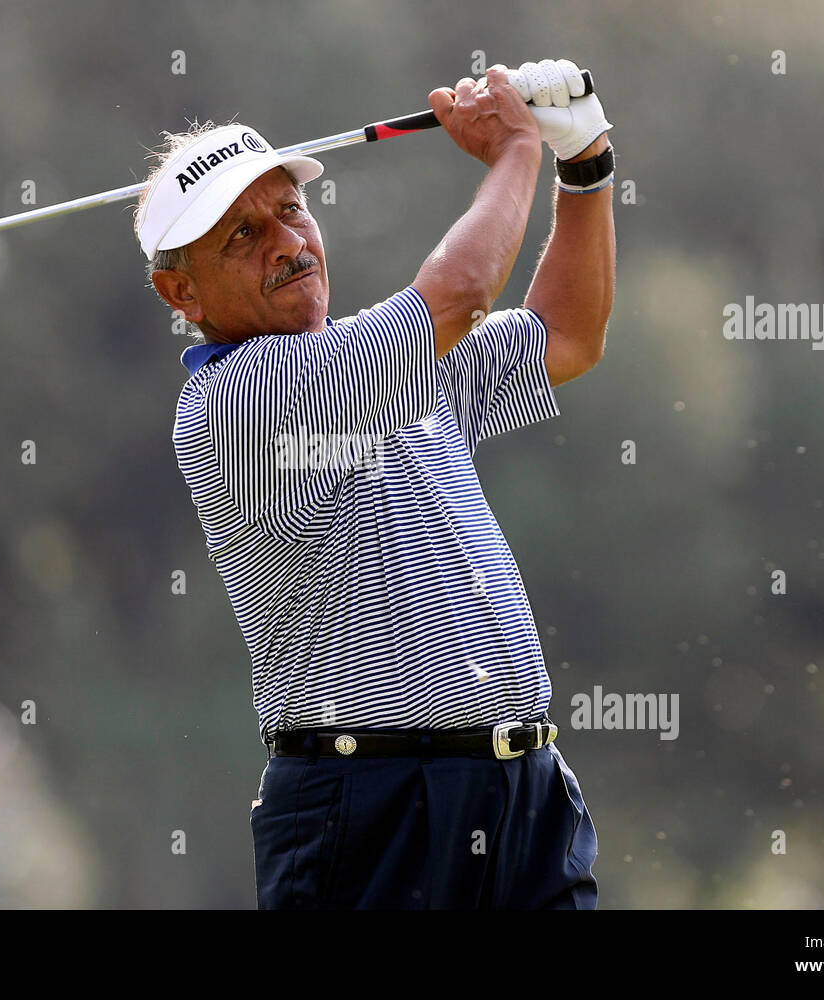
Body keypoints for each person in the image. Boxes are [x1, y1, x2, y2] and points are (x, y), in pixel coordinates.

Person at [135, 61, 615, 908]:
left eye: (289, 209)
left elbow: (568, 335)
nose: (285, 242)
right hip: (376, 810)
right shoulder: (237, 400)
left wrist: (585, 167)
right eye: (241, 237)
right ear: (182, 292)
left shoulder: (387, 363)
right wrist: (515, 151)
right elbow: (460, 292)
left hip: (522, 794)